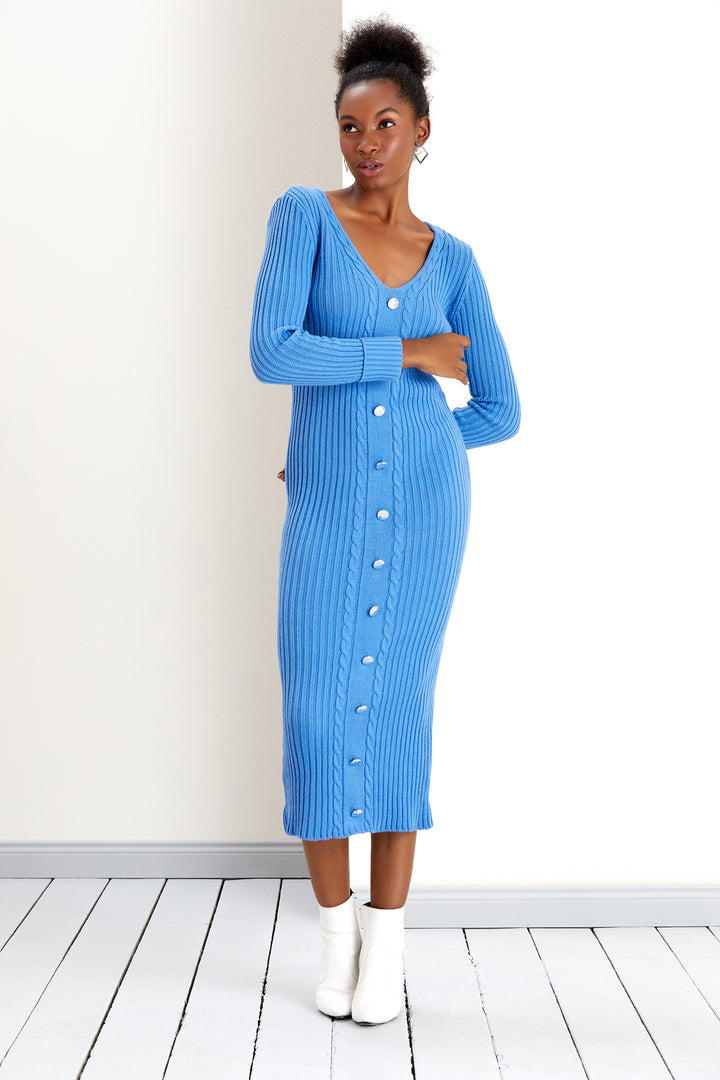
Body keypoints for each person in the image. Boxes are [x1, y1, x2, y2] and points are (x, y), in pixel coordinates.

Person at [249, 15, 520, 1025]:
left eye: (386, 123)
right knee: (317, 720)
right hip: (324, 512)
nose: (365, 143)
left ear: (422, 130)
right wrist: (406, 355)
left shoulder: (455, 261)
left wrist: (414, 447)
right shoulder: (304, 219)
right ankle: (336, 936)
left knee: (401, 715)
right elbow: (274, 351)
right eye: (350, 126)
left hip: (426, 515)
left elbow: (500, 408)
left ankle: (387, 950)